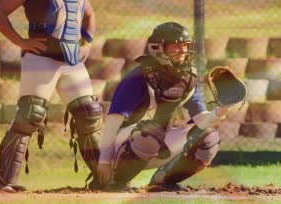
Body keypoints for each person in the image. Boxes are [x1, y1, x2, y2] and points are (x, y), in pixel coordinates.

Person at [0, 0, 103, 192]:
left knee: (88, 114)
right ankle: (5, 182)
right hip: (41, 60)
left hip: (72, 62)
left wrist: (87, 42)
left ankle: (104, 178)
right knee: (30, 116)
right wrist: (21, 42)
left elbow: (89, 15)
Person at [94, 22, 230, 191]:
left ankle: (164, 180)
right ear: (157, 48)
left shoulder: (186, 78)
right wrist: (104, 161)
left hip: (157, 143)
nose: (182, 51)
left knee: (208, 137)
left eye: (185, 46)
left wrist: (221, 111)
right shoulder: (137, 79)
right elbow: (112, 124)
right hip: (124, 146)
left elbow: (201, 120)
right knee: (151, 132)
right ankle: (118, 182)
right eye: (175, 46)